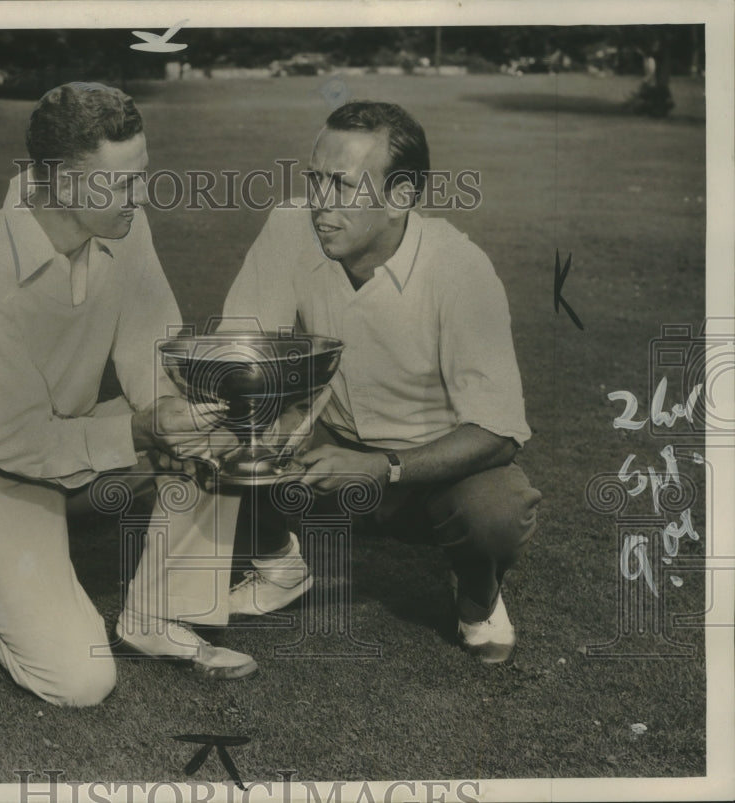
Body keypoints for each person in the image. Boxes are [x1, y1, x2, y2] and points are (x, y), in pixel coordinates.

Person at [0, 83, 256, 708]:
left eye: (141, 175)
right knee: (80, 681)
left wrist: (191, 417)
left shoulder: (126, 225)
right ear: (60, 183)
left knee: (204, 424)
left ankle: (157, 615)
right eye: (120, 184)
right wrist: (146, 431)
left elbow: (155, 357)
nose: (139, 197)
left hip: (66, 442)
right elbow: (18, 442)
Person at [221, 100, 541, 664]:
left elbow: (500, 431)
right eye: (314, 180)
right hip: (333, 444)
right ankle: (278, 562)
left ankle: (479, 598)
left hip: (431, 465)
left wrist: (385, 466)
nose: (319, 203)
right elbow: (240, 350)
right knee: (225, 423)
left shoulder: (460, 268)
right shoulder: (290, 226)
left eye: (341, 186)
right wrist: (281, 410)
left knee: (497, 512)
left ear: (400, 196)